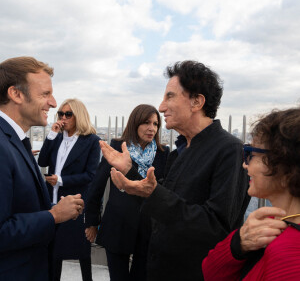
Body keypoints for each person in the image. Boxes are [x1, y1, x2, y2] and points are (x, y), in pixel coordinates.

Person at [100, 60, 250, 280]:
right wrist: (131, 171)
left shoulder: (230, 151)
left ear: (197, 102)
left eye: (169, 96)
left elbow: (216, 228)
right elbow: (163, 197)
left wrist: (153, 193)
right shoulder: (180, 151)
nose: (161, 107)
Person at [0, 56, 84, 281]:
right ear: (16, 94)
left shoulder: (13, 141)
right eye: (45, 94)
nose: (54, 103)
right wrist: (53, 215)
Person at [202, 108, 300, 280]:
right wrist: (238, 244)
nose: (245, 165)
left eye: (251, 155)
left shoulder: (290, 255)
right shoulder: (268, 223)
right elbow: (210, 271)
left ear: (287, 170)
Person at [85, 104, 170, 281]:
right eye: (146, 122)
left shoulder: (163, 153)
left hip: (148, 229)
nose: (151, 128)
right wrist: (92, 222)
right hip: (118, 224)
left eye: (155, 124)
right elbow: (96, 186)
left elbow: (161, 190)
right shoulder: (117, 147)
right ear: (135, 123)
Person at [38, 98, 100, 281]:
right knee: (54, 251)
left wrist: (61, 180)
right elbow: (42, 162)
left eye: (68, 114)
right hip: (52, 202)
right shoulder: (56, 138)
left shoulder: (91, 141)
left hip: (75, 203)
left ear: (78, 116)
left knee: (82, 251)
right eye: (61, 113)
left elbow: (90, 174)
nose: (63, 117)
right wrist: (51, 135)